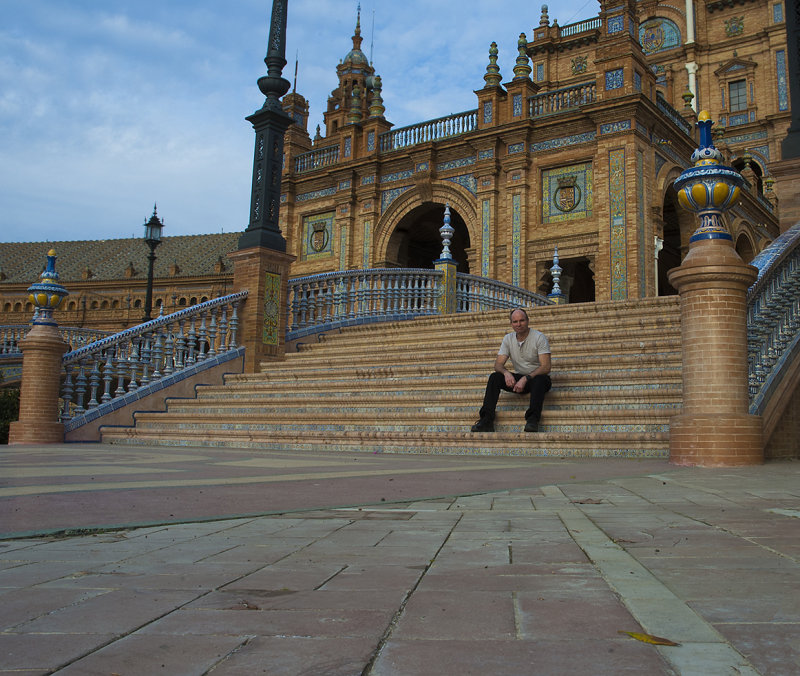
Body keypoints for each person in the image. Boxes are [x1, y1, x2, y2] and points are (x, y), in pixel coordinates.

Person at [471, 308, 552, 433]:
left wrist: (526, 378)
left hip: (537, 378)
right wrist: (506, 373)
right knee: (495, 377)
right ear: (511, 324)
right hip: (519, 379)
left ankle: (533, 420)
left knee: (540, 380)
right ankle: (486, 420)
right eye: (515, 322)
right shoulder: (508, 339)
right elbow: (498, 364)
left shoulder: (539, 337)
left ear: (528, 321)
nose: (518, 324)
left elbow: (546, 367)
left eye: (522, 320)